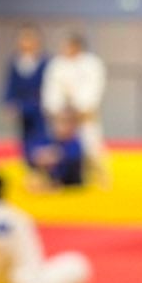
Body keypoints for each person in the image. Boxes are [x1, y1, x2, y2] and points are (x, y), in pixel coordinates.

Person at [41, 31, 107, 180]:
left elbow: (95, 88)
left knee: (92, 146)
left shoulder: (92, 64)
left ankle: (100, 175)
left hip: (85, 113)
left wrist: (83, 108)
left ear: (78, 46)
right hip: (62, 116)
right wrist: (57, 110)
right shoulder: (57, 65)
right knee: (58, 149)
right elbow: (51, 89)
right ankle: (60, 175)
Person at [0, 24, 50, 164]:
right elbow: (9, 86)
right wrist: (7, 103)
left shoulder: (46, 62)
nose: (25, 42)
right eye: (22, 38)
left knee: (42, 144)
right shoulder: (15, 62)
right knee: (25, 144)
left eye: (29, 38)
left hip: (41, 111)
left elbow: (50, 88)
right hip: (22, 110)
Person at [31, 110, 87, 188]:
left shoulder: (75, 144)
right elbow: (36, 155)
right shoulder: (52, 141)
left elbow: (67, 158)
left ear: (73, 126)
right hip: (55, 185)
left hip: (72, 188)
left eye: (63, 123)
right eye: (56, 123)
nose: (58, 127)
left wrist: (53, 156)